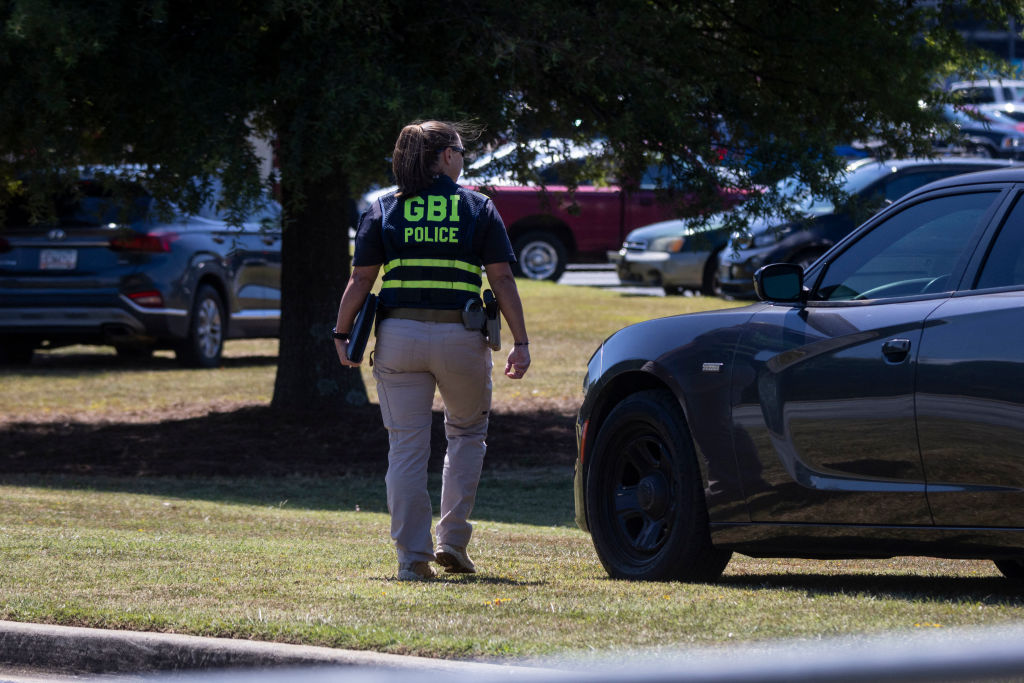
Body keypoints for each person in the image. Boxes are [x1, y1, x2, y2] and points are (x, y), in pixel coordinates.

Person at [333, 120, 531, 581]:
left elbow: (360, 281)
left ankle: (412, 559)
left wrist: (341, 335)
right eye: (461, 151)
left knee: (405, 448)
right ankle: (453, 541)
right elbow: (501, 279)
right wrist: (520, 342)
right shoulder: (477, 207)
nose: (464, 159)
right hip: (462, 338)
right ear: (445, 156)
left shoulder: (383, 206)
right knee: (465, 435)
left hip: (399, 338)